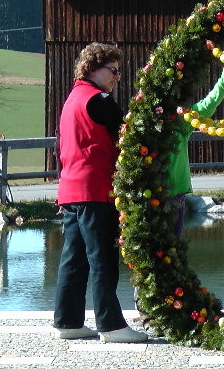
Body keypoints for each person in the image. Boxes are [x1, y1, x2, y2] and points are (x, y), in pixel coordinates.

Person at [53, 42, 147, 344]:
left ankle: (67, 322)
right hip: (96, 188)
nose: (117, 76)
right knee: (102, 258)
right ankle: (111, 325)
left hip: (70, 189)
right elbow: (130, 134)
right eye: (113, 70)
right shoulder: (100, 99)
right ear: (94, 68)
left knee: (73, 258)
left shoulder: (71, 101)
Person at [167, 64, 224, 237]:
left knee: (173, 247)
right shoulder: (145, 122)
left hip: (176, 194)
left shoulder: (181, 121)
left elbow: (209, 104)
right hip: (151, 195)